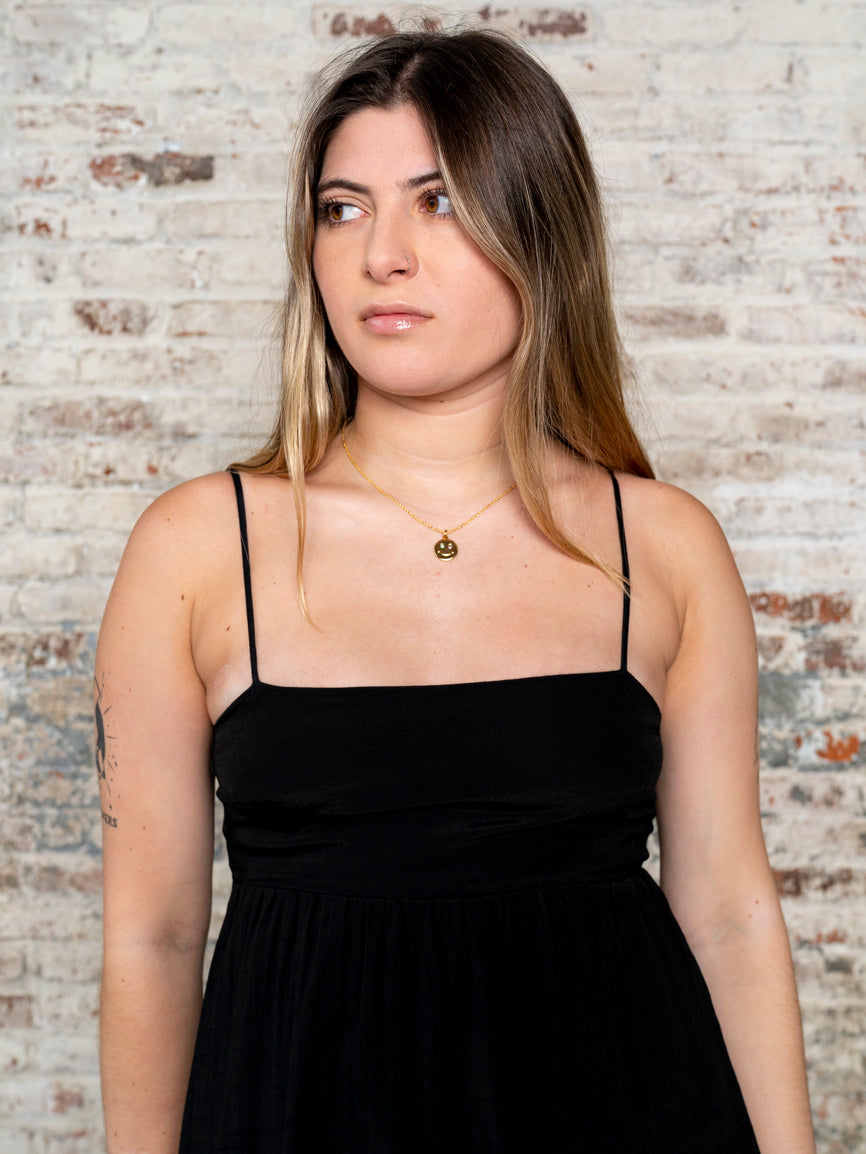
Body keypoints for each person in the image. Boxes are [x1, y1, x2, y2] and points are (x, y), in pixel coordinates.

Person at [96, 26, 816, 1154]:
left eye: (436, 201)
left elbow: (726, 910)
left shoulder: (662, 547)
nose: (382, 253)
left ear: (537, 226)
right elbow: (151, 933)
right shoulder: (196, 548)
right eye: (342, 208)